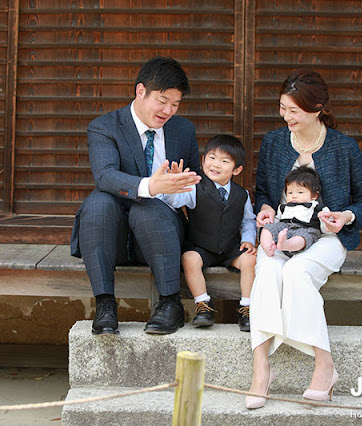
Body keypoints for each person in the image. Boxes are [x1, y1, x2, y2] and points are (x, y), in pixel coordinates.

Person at [245, 69, 362, 409]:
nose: (285, 116)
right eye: (282, 108)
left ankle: (324, 365)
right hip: (281, 232)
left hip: (327, 238)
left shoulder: (344, 147)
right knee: (270, 271)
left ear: (317, 108)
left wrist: (346, 217)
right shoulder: (274, 143)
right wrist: (266, 211)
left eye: (293, 111)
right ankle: (261, 370)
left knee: (297, 272)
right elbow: (262, 194)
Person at [70, 57, 202, 336]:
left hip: (160, 233)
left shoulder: (183, 130)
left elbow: (196, 184)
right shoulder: (105, 126)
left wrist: (179, 186)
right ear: (140, 91)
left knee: (149, 208)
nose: (168, 110)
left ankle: (170, 303)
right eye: (162, 100)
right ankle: (105, 304)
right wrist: (151, 186)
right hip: (113, 235)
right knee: (98, 202)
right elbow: (104, 175)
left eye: (175, 104)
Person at [164, 135, 256, 331]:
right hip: (201, 246)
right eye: (212, 158)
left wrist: (248, 240)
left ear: (237, 169)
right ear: (203, 160)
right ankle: (203, 305)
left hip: (230, 248)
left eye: (224, 161)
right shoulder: (194, 188)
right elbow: (174, 202)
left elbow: (248, 220)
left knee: (250, 260)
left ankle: (246, 308)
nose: (216, 164)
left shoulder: (243, 194)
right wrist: (174, 185)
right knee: (189, 259)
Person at [259, 166, 332, 258]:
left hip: (306, 228)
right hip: (285, 227)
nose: (294, 196)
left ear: (314, 195)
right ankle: (267, 247)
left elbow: (327, 227)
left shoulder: (317, 208)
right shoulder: (283, 207)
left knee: (303, 237)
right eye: (290, 193)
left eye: (300, 192)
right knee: (267, 228)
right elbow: (277, 220)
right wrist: (270, 223)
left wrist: (324, 219)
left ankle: (286, 244)